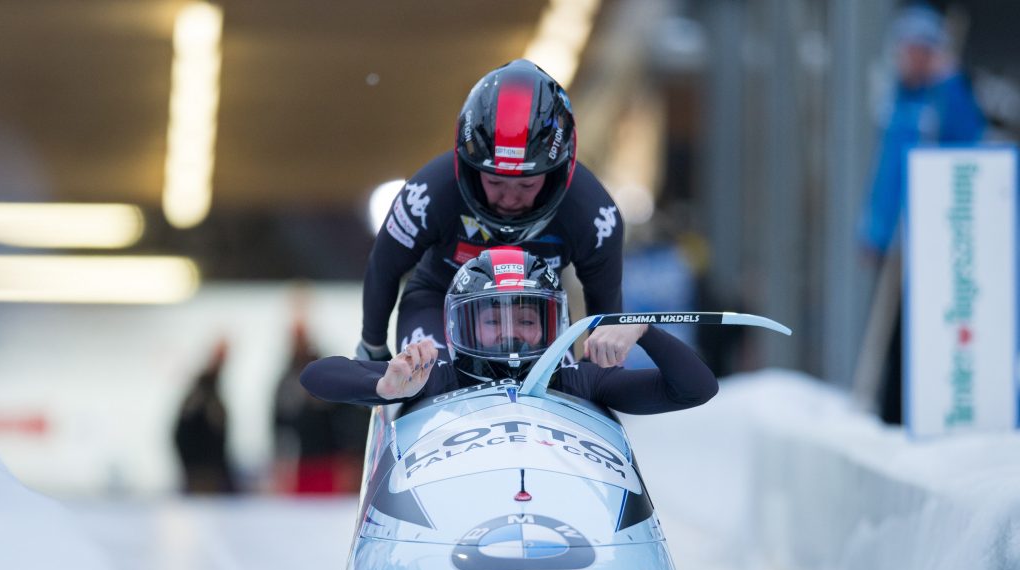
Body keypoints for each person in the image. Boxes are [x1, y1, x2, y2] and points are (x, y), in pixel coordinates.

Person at [355, 58, 642, 371]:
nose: (509, 197)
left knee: (560, 390)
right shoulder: (427, 195)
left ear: (557, 173)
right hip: (439, 303)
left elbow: (607, 323)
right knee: (435, 378)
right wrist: (373, 348)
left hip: (536, 316)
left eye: (527, 184)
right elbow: (385, 265)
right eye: (494, 181)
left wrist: (596, 376)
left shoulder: (594, 216)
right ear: (469, 168)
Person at [304, 248, 718, 415]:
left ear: (552, 324)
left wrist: (640, 328)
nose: (510, 334)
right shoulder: (434, 378)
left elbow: (696, 388)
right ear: (461, 326)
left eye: (526, 320)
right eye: (490, 321)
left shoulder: (581, 380)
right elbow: (318, 375)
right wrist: (385, 389)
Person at [856, 3, 985, 424]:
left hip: (932, 237)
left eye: (914, 50)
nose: (905, 58)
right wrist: (873, 230)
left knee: (922, 329)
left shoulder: (947, 98)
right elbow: (885, 174)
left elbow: (970, 143)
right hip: (895, 236)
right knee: (891, 333)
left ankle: (918, 410)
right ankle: (890, 412)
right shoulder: (897, 101)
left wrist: (948, 82)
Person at [272, 320, 371, 494]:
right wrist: (279, 462)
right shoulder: (287, 380)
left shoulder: (325, 374)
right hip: (303, 464)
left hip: (331, 463)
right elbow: (278, 423)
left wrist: (351, 455)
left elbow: (348, 416)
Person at [173, 340, 237, 494]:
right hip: (201, 476)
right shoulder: (199, 395)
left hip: (213, 475)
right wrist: (192, 468)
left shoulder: (214, 393)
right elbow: (180, 434)